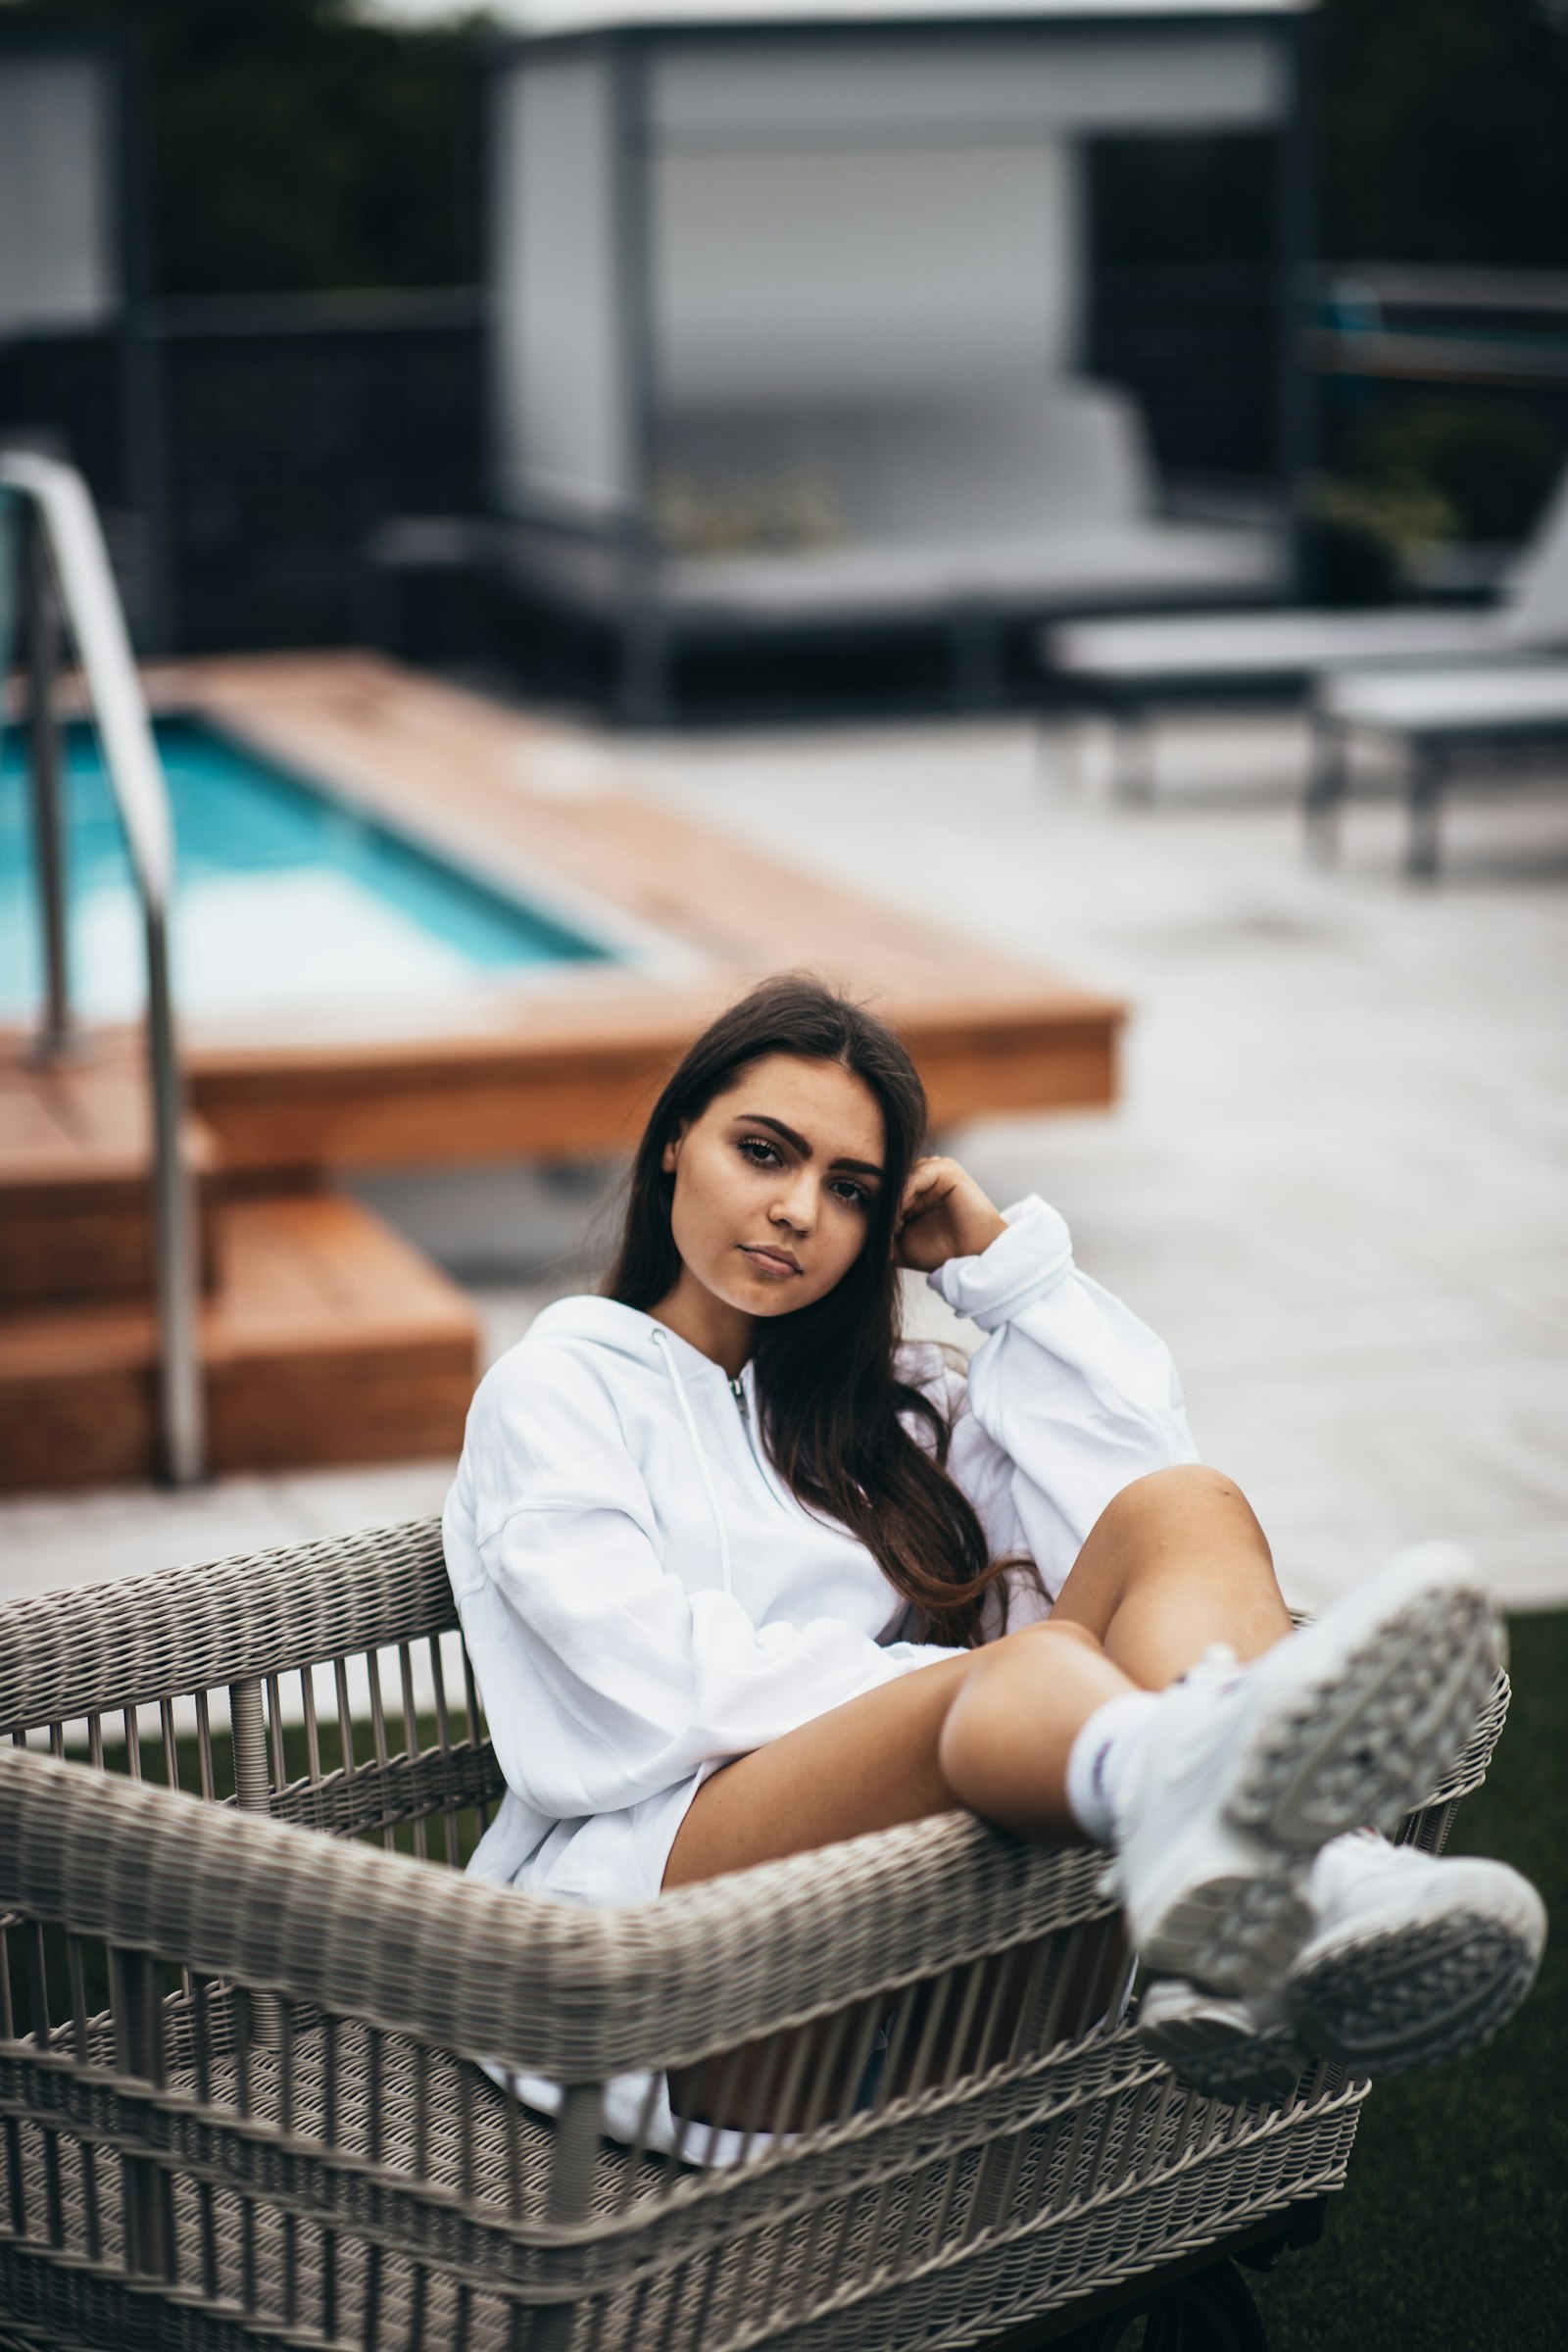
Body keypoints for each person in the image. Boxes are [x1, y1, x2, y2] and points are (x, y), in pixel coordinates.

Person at [442, 973, 1544, 2144]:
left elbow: (1129, 1475)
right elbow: (647, 1693)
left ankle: (1302, 1871)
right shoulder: (557, 1388)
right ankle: (1250, 1842)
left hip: (900, 1953)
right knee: (1031, 1667)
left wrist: (999, 1268)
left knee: (1183, 1504)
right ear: (674, 1143)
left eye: (849, 1188)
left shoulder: (895, 1410)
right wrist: (957, 1693)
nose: (799, 1211)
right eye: (763, 1152)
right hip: (654, 1957)